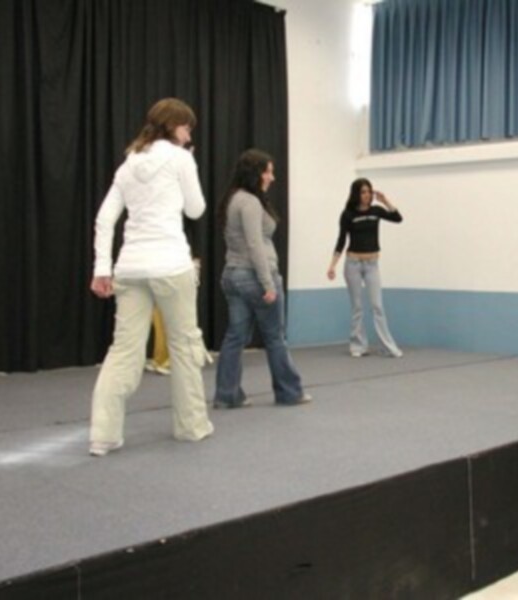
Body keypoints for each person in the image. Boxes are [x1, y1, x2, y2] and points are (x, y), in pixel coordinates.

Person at [89, 97, 214, 456]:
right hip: (171, 265)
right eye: (187, 127)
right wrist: (190, 161)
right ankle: (191, 426)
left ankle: (103, 435)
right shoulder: (181, 158)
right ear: (174, 126)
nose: (189, 134)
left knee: (123, 351)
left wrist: (101, 269)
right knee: (184, 345)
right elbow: (196, 209)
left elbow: (104, 219)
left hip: (130, 268)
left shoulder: (129, 163)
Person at [213, 149, 310, 408]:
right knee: (275, 337)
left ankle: (226, 395)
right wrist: (268, 284)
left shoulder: (233, 198)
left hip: (233, 275)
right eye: (268, 172)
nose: (272, 177)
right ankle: (289, 392)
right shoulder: (250, 203)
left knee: (235, 336)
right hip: (254, 276)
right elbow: (255, 245)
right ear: (255, 173)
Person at [326, 178, 403, 358]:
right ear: (356, 194)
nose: (367, 195)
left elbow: (398, 218)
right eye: (363, 192)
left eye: (369, 191)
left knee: (377, 306)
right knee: (357, 307)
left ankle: (389, 347)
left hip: (372, 264)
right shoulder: (348, 214)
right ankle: (358, 345)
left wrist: (385, 201)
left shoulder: (376, 211)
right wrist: (332, 265)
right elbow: (341, 240)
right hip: (353, 263)